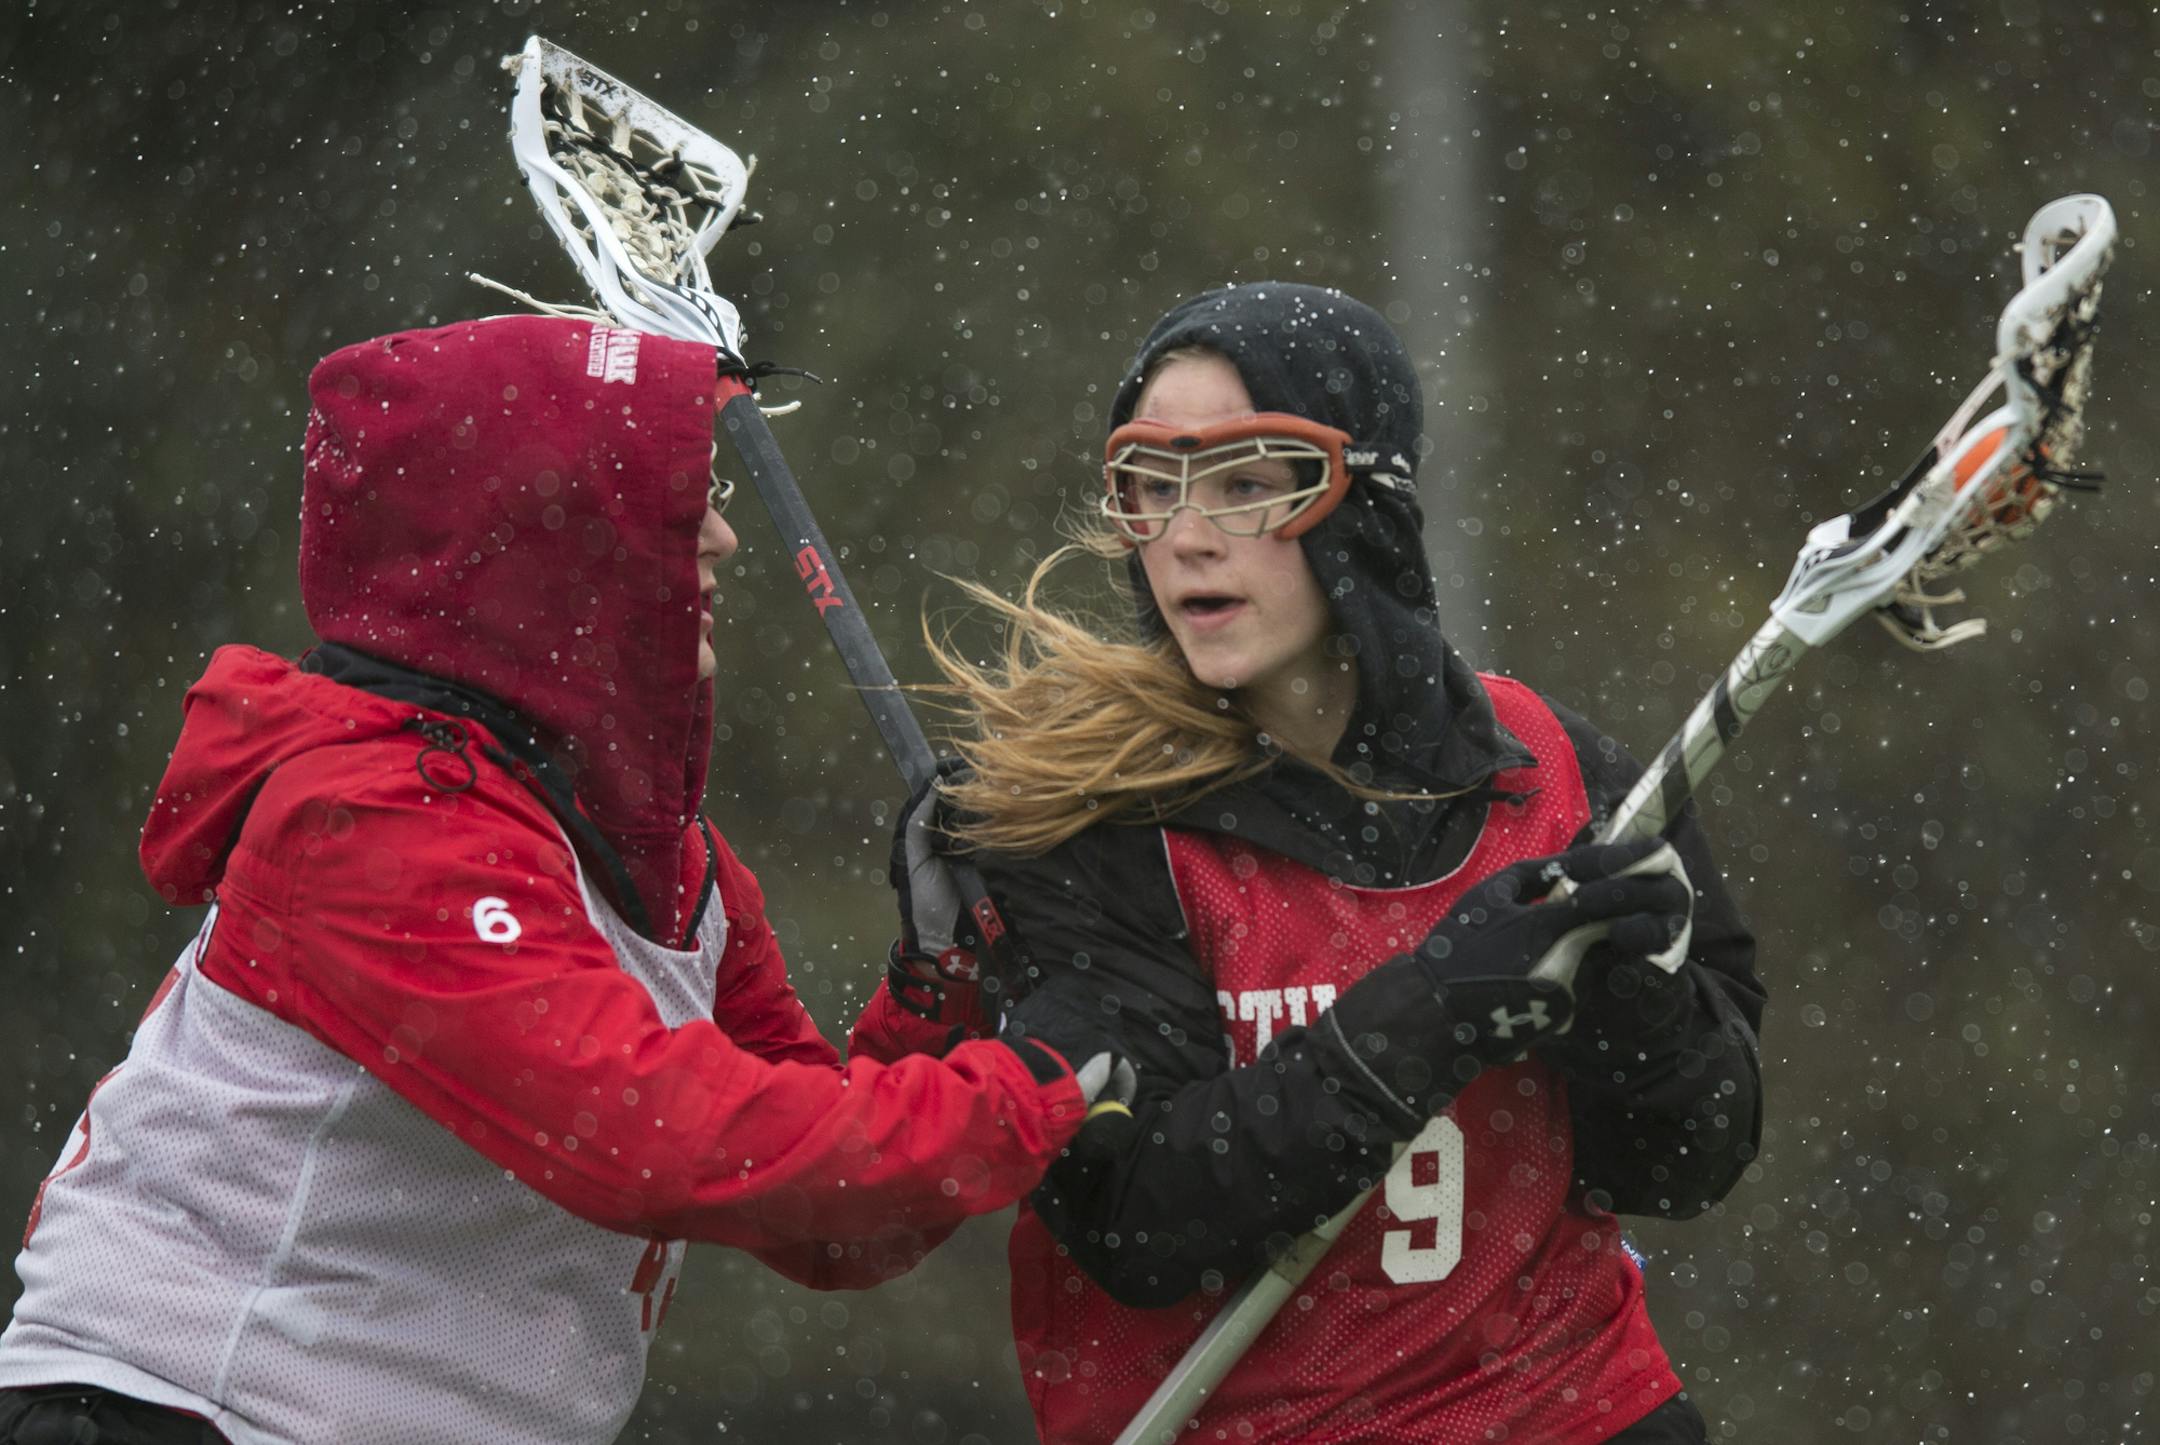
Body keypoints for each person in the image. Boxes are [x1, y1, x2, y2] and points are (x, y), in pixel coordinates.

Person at [0, 314, 1122, 1445]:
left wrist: (939, 982)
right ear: (530, 549)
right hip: (182, 1411)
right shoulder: (374, 819)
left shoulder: (675, 863)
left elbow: (829, 1225)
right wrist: (1035, 1087)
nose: (726, 539)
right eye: (679, 506)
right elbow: (662, 1142)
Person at [890, 283, 1766, 1443]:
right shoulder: (1079, 824)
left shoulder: (1557, 769)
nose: (1188, 534)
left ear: (1367, 502)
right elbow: (1139, 1220)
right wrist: (1436, 1005)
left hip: (1577, 1413)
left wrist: (1629, 1001)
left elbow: (1690, 1160)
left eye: (1248, 485)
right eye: (1153, 485)